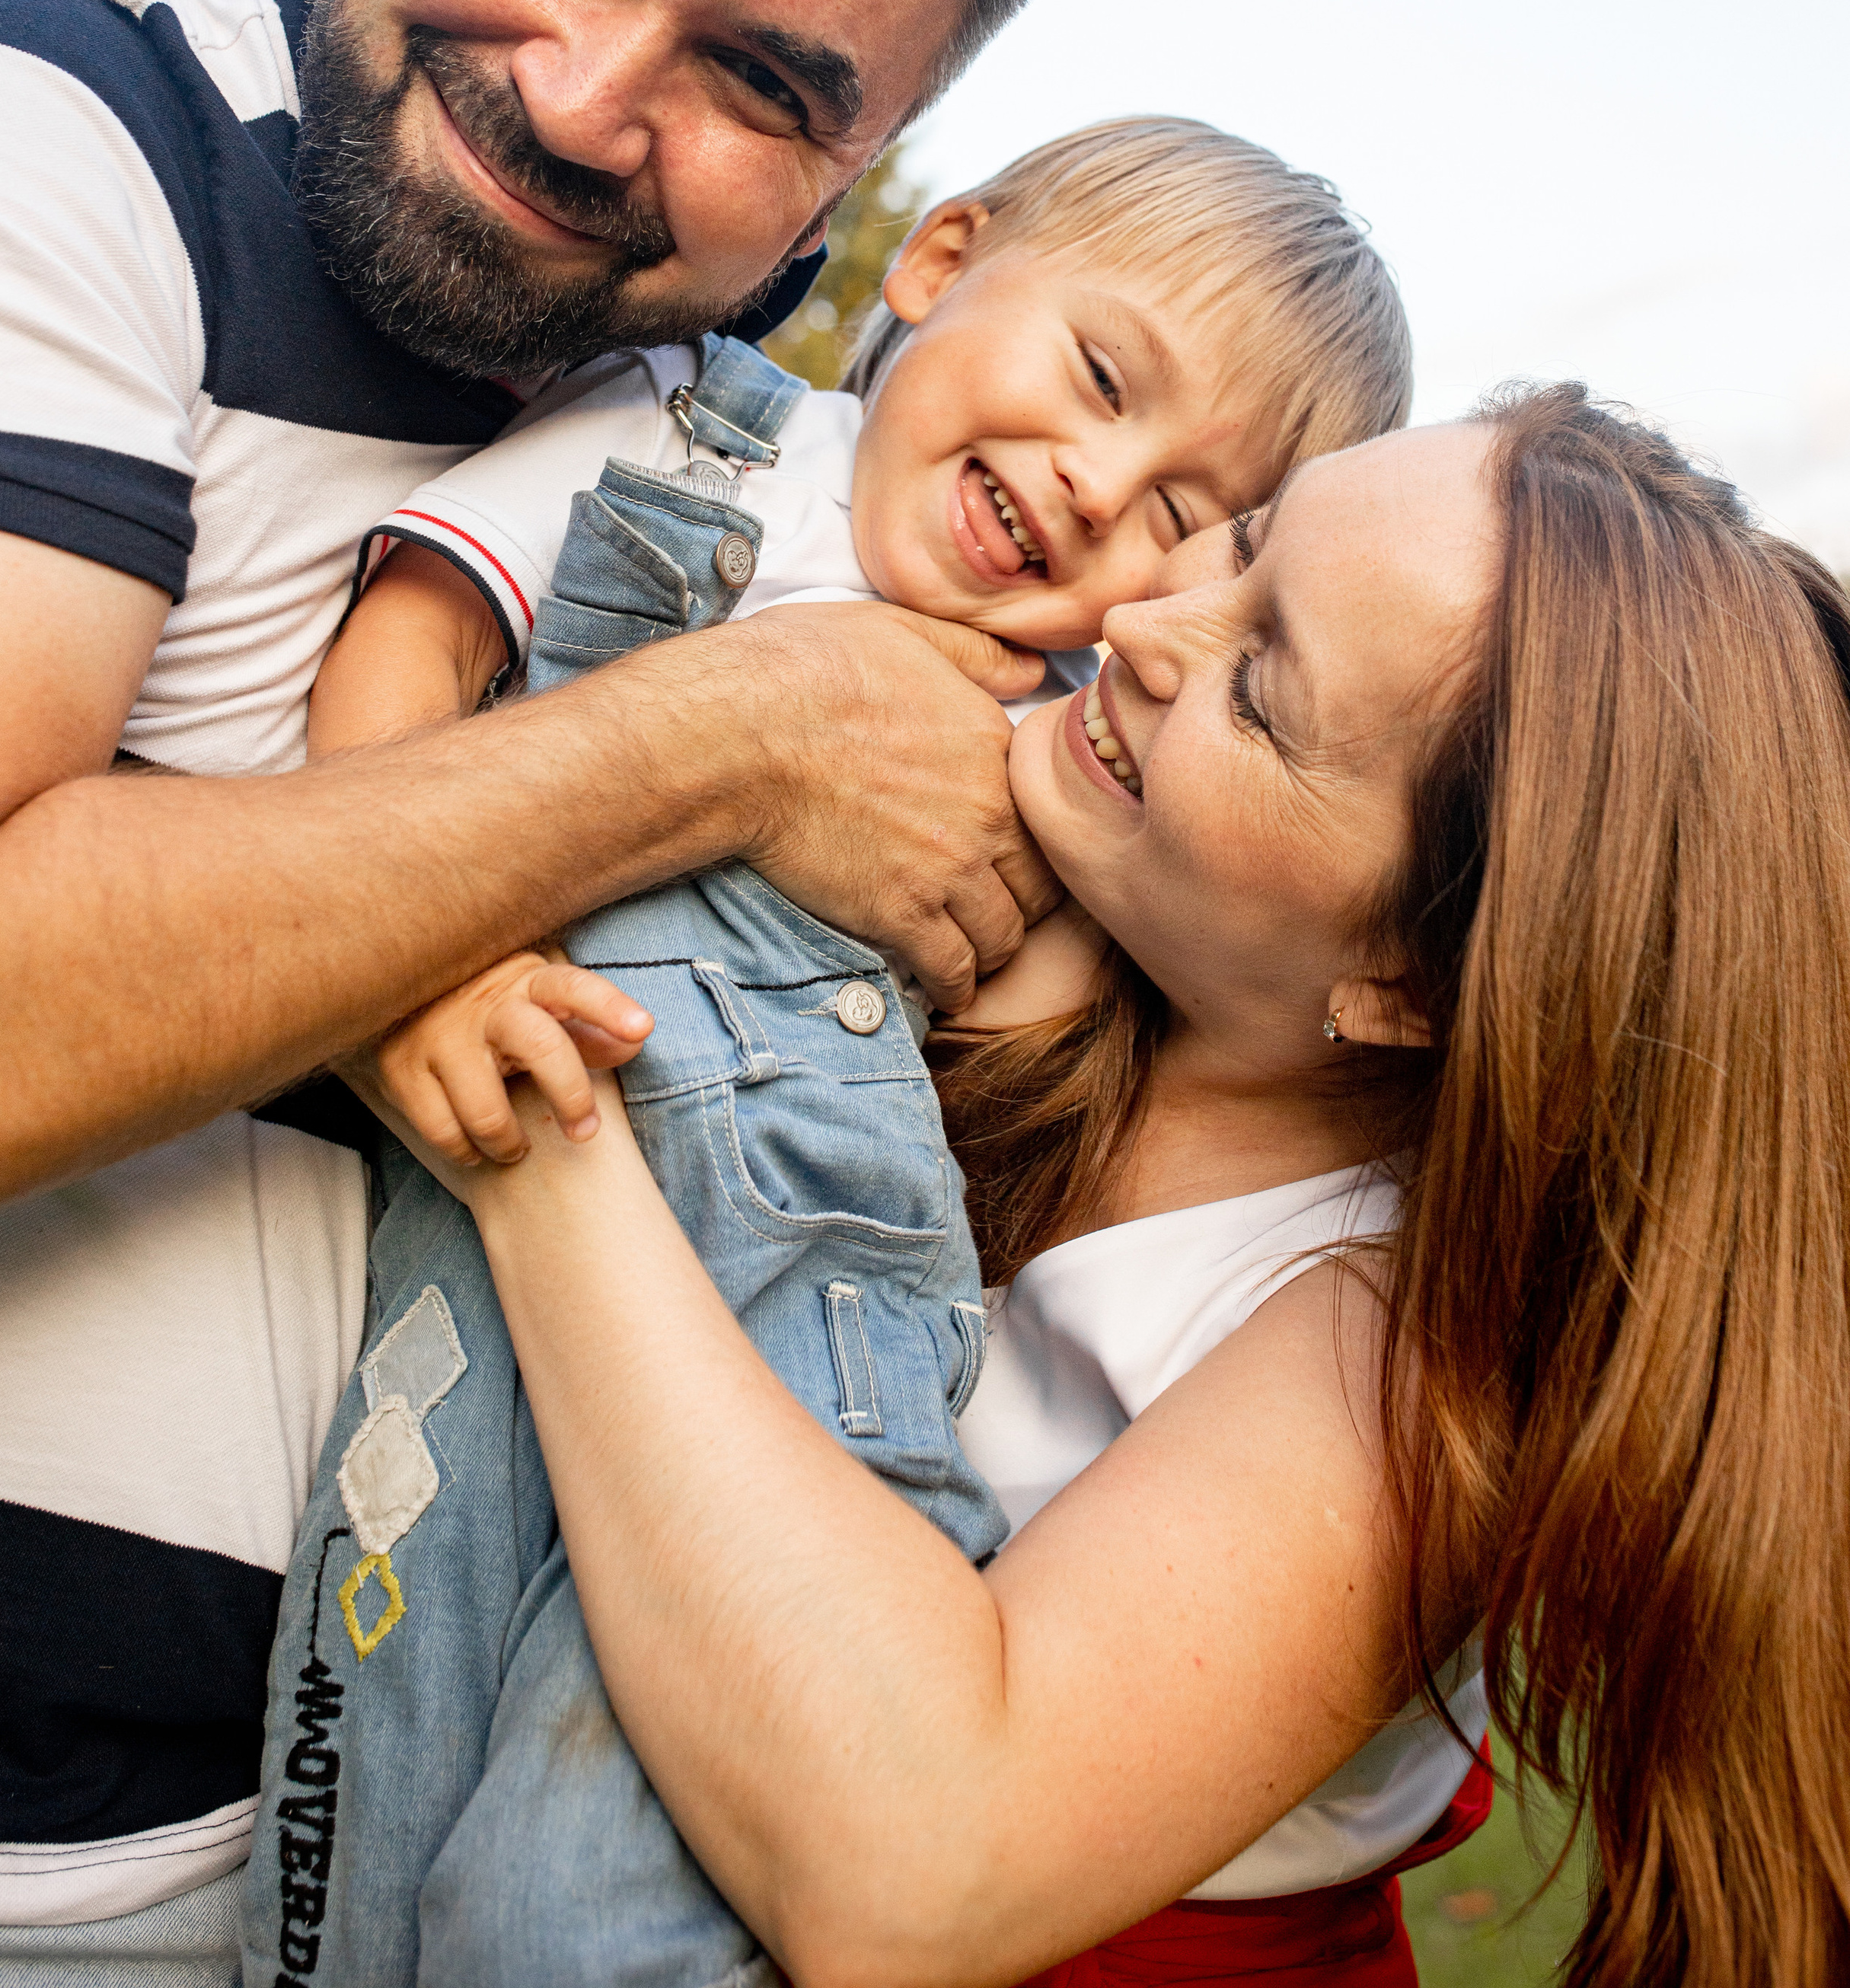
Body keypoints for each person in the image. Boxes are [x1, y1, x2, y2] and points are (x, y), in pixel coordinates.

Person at [0, 0, 1080, 1977]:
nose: (585, 97)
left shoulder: (741, 478)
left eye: (764, 81)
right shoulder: (43, 129)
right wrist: (726, 739)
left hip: (299, 1873)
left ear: (851, 188)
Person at [363, 388, 1850, 1988]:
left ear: (1412, 981)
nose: (1139, 623)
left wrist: (516, 1119)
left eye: (1260, 693)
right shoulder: (1013, 891)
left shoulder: (1405, 1363)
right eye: (1247, 541)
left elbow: (909, 1866)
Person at [234, 115, 1415, 1988]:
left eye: (1185, 517)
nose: (1098, 489)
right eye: (1099, 378)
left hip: (808, 1340)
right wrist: (415, 956)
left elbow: (998, 1056)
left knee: (595, 1882)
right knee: (374, 1731)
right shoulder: (691, 435)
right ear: (935, 263)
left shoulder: (1062, 729)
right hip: (488, 1234)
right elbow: (412, 649)